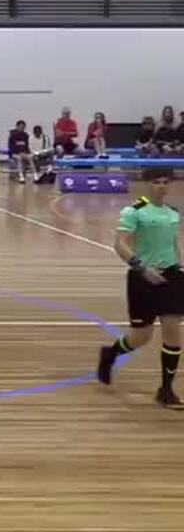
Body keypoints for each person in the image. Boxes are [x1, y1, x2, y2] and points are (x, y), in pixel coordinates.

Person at [98, 168, 184, 409]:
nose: (161, 186)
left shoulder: (172, 213)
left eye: (166, 182)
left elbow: (172, 243)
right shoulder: (133, 211)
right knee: (141, 337)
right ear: (147, 184)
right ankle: (110, 354)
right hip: (142, 279)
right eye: (156, 182)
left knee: (173, 333)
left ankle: (166, 390)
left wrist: (179, 265)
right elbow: (120, 244)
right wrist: (142, 268)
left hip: (170, 278)